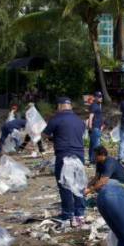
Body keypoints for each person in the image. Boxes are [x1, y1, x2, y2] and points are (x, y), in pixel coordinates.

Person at [42, 97, 87, 227]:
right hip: (79, 155)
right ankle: (80, 214)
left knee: (65, 184)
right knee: (78, 184)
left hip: (64, 156)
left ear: (60, 106)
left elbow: (44, 135)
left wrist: (52, 138)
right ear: (70, 106)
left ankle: (68, 214)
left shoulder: (56, 119)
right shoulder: (79, 121)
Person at [87, 92, 104, 165]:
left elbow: (98, 116)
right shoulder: (94, 105)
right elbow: (91, 116)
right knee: (96, 145)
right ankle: (95, 160)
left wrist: (102, 125)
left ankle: (91, 159)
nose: (100, 98)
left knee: (92, 144)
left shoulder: (98, 105)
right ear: (95, 97)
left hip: (97, 127)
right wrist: (90, 126)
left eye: (101, 96)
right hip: (95, 127)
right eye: (99, 97)